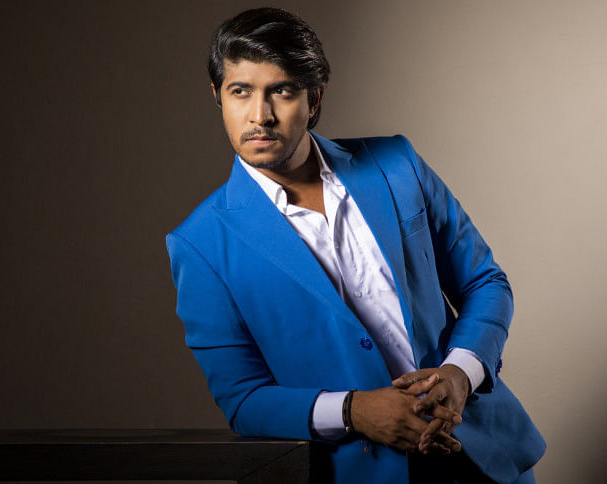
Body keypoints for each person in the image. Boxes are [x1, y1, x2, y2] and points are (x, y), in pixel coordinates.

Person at [166, 7, 545, 483]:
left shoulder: (396, 165)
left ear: (314, 97)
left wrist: (460, 373)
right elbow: (243, 399)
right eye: (240, 91)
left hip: (480, 456)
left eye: (281, 91)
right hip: (361, 470)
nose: (260, 116)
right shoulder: (200, 244)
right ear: (218, 96)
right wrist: (353, 411)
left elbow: (485, 282)